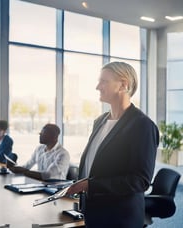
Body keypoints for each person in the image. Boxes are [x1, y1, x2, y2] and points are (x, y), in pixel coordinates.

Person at [66, 62, 159, 228]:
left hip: (119, 217)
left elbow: (140, 180)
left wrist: (91, 185)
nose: (97, 87)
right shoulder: (99, 121)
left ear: (123, 84)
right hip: (93, 212)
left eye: (104, 81)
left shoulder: (142, 125)